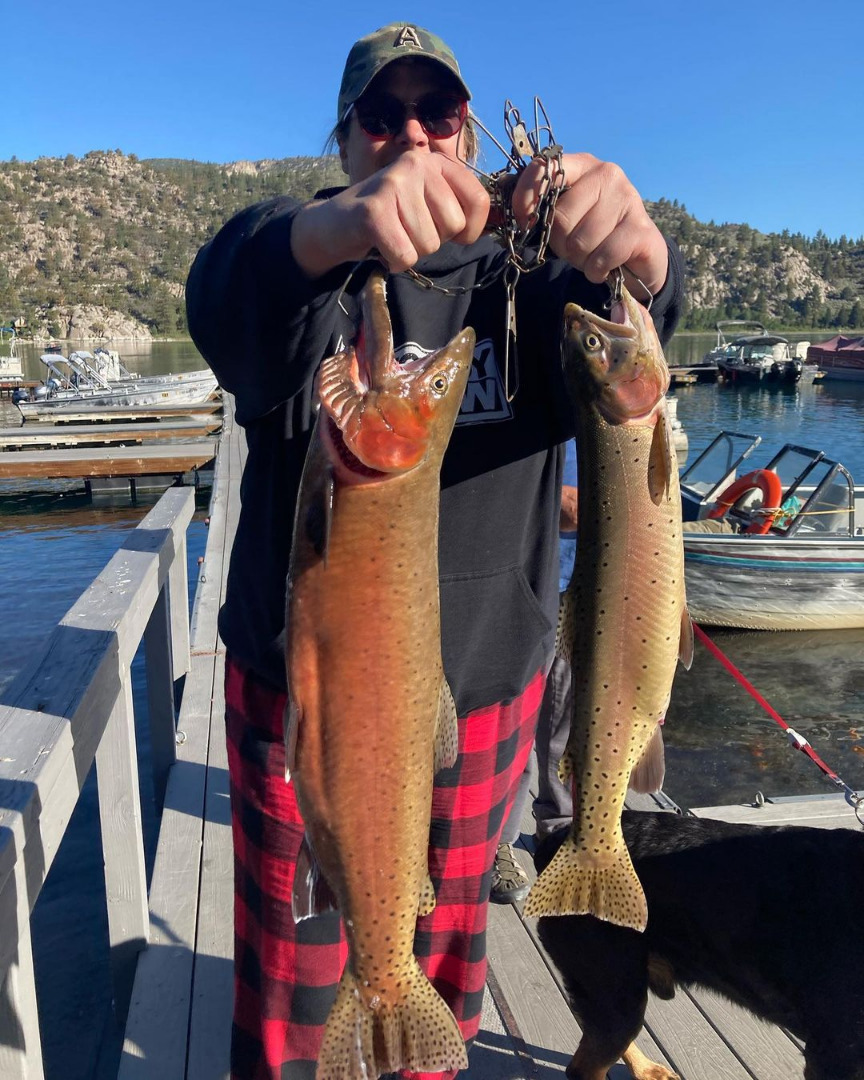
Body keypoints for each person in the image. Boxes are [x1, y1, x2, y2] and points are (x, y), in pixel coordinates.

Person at [185, 22, 683, 1080]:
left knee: (443, 969)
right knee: (295, 987)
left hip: (487, 696)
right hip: (308, 701)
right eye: (381, 114)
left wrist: (640, 248)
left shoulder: (526, 279)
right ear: (345, 140)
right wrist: (336, 229)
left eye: (436, 113)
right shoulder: (302, 270)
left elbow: (636, 331)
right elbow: (229, 287)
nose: (410, 133)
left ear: (466, 130)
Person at [490, 441, 578, 904]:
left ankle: (559, 833)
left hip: (588, 585)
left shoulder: (613, 408)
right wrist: (557, 499)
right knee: (515, 723)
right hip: (522, 580)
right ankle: (497, 841)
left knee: (570, 722)